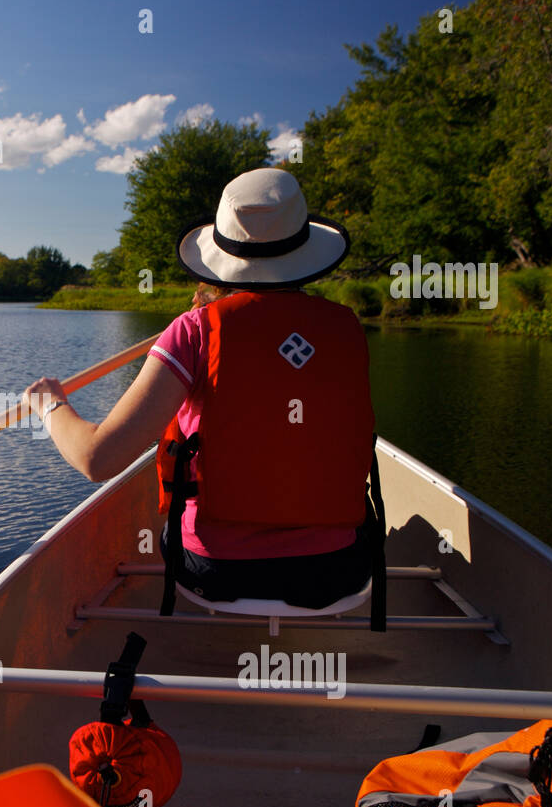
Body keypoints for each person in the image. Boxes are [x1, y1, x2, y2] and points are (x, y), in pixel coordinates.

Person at [22, 168, 375, 610]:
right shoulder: (346, 329)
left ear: (223, 256)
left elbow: (98, 458)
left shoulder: (193, 331)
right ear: (303, 249)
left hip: (216, 573)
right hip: (336, 570)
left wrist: (49, 404)